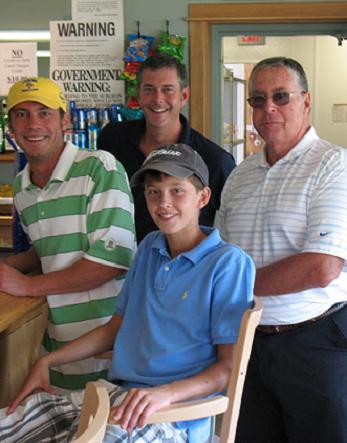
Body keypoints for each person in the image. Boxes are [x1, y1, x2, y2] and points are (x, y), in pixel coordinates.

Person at [1, 143, 255, 443]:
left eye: (177, 191)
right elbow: (115, 329)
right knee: (8, 422)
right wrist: (47, 361)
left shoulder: (228, 263)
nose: (163, 203)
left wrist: (163, 395)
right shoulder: (150, 247)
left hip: (174, 415)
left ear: (203, 197)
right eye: (153, 192)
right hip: (118, 396)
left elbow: (228, 368)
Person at [216, 57, 347, 442]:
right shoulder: (239, 175)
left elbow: (321, 267)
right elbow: (221, 258)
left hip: (315, 344)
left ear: (305, 102)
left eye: (280, 97)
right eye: (258, 99)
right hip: (247, 345)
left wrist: (235, 286)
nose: (268, 108)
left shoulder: (334, 165)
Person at [0, 77, 136, 390]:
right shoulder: (22, 186)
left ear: (66, 120)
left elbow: (111, 262)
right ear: (11, 127)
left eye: (44, 113)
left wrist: (26, 285)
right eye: (22, 114)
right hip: (57, 352)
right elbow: (48, 247)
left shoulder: (100, 168)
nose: (33, 124)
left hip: (110, 352)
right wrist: (12, 267)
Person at [98, 53, 236, 243]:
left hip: (185, 267)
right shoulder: (113, 139)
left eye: (167, 89)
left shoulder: (214, 160)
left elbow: (233, 225)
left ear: (184, 96)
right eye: (149, 89)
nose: (158, 99)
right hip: (120, 264)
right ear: (138, 93)